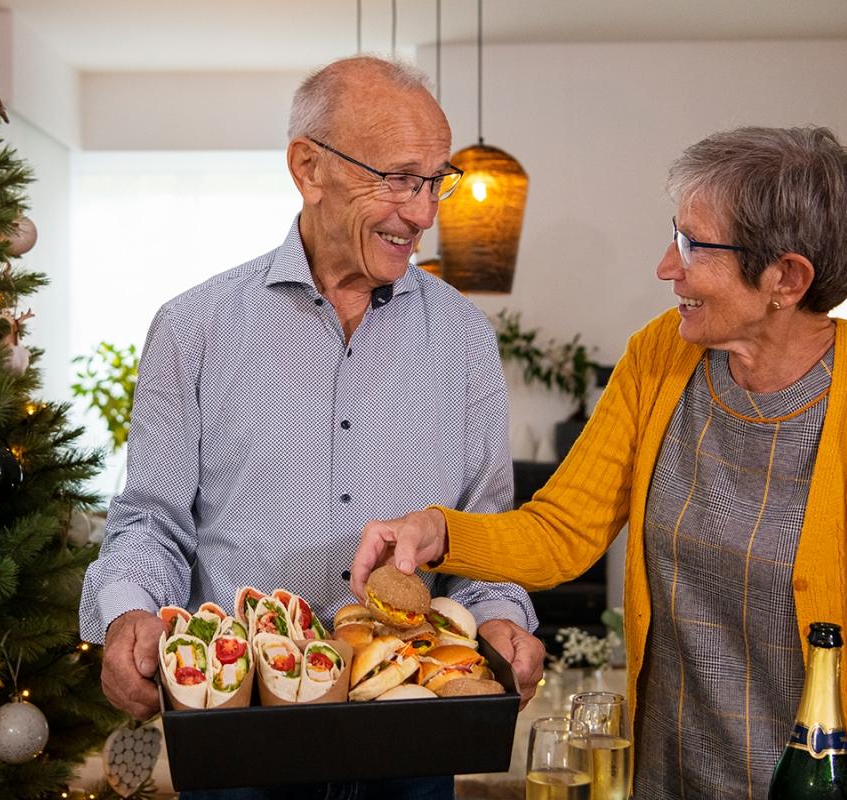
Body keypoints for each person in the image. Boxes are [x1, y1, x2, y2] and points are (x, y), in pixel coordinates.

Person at [351, 126, 847, 799]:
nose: (666, 267)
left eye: (693, 245)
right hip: (665, 781)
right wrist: (438, 530)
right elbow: (562, 530)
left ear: (786, 278)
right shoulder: (660, 356)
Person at [80, 56, 546, 799]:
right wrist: (128, 612)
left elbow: (481, 534)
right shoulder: (193, 328)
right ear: (308, 168)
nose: (425, 214)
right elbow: (151, 522)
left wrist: (498, 619)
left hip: (411, 733)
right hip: (242, 738)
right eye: (399, 179)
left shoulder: (465, 340)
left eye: (435, 182)